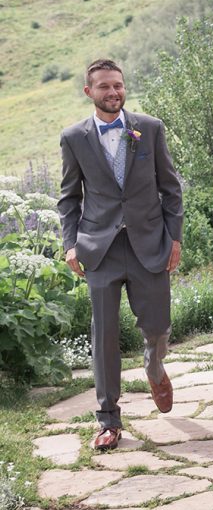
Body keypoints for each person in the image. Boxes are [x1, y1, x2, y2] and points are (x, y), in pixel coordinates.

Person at [58, 58, 183, 450]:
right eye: (104, 87)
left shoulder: (149, 128)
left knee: (158, 326)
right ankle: (108, 419)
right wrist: (70, 243)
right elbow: (68, 198)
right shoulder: (73, 138)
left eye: (118, 86)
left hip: (149, 244)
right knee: (105, 335)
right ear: (88, 92)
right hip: (100, 249)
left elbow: (172, 188)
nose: (113, 93)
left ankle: (153, 362)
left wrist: (174, 239)